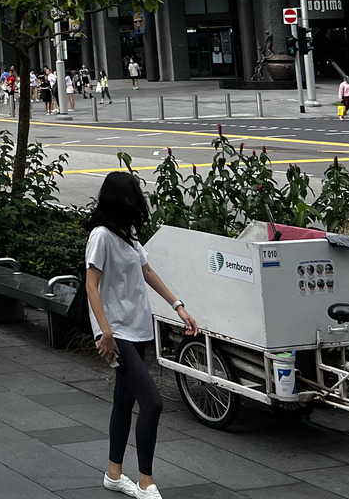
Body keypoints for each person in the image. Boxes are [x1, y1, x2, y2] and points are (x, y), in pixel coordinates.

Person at [86, 171, 200, 499]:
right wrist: (104, 332)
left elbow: (146, 270)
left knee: (124, 401)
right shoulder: (101, 236)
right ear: (119, 198)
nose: (138, 200)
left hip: (138, 327)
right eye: (133, 194)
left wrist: (178, 305)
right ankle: (146, 481)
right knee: (152, 402)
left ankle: (113, 473)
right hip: (116, 330)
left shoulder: (128, 232)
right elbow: (92, 285)